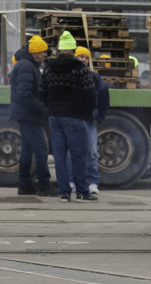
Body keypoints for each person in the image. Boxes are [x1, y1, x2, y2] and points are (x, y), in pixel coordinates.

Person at [41, 31, 98, 202]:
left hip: (55, 117)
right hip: (75, 116)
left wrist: (51, 108)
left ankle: (64, 193)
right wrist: (85, 114)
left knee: (59, 156)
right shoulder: (80, 68)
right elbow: (90, 93)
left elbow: (41, 91)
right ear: (73, 50)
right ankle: (82, 192)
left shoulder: (49, 68)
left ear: (59, 50)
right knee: (78, 155)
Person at [9, 35, 56, 196]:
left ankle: (25, 184)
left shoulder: (28, 65)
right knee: (41, 149)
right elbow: (25, 95)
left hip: (26, 114)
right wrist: (43, 109)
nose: (45, 55)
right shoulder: (27, 66)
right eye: (43, 52)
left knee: (27, 151)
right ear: (36, 52)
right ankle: (44, 185)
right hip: (28, 115)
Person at [74, 46, 110, 195]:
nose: (83, 59)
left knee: (91, 152)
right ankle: (73, 181)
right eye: (80, 56)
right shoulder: (70, 76)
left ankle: (93, 182)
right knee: (73, 152)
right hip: (75, 120)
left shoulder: (95, 77)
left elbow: (104, 99)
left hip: (89, 122)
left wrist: (98, 117)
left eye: (85, 57)